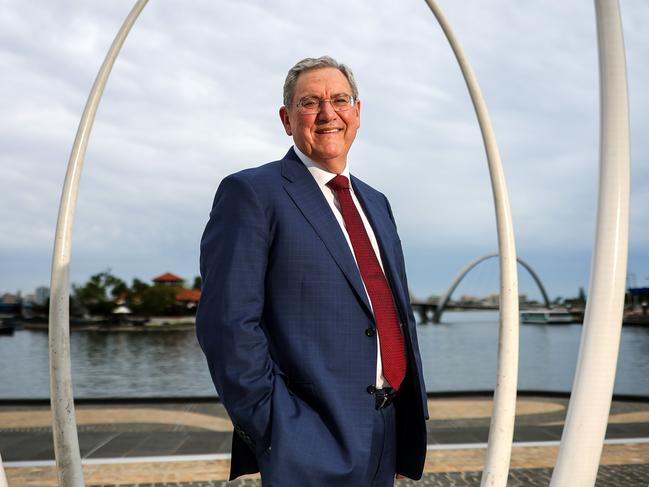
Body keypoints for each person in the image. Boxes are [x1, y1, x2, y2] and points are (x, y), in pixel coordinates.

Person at [196, 56, 428, 487]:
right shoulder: (252, 193)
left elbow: (389, 312)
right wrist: (277, 428)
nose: (327, 114)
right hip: (307, 440)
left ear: (357, 112)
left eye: (340, 100)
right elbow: (226, 325)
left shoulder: (376, 202)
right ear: (287, 120)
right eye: (309, 103)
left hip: (386, 429)